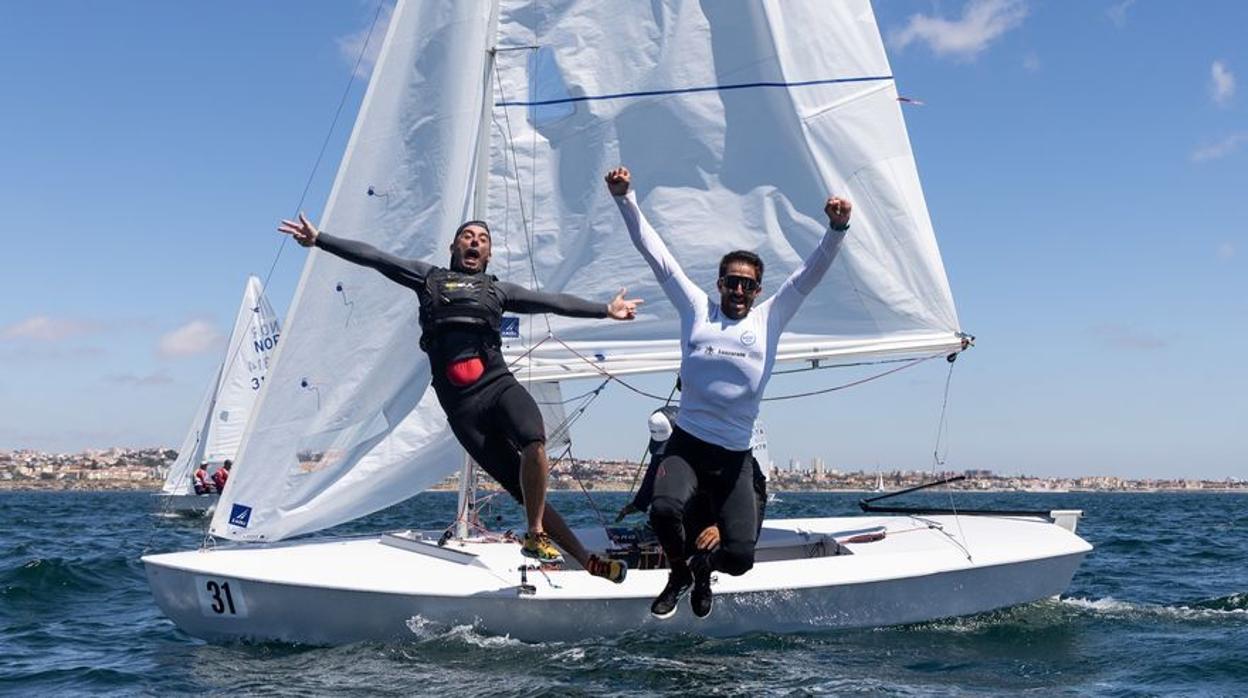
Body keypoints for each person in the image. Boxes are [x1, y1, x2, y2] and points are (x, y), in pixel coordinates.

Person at [278, 213, 640, 583]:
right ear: (454, 247)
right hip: (463, 409)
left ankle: (536, 535)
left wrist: (605, 310)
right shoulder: (428, 278)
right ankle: (583, 557)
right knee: (520, 487)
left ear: (489, 253)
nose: (474, 241)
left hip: (498, 386)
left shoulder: (499, 291)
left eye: (482, 238)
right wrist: (320, 238)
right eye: (466, 236)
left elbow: (552, 302)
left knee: (534, 439)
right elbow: (376, 258)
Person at [605, 166, 851, 618]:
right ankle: (679, 573)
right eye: (730, 281)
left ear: (757, 290)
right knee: (663, 511)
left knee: (739, 559)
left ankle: (702, 570)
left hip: (735, 457)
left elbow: (810, 274)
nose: (737, 289)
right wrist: (625, 198)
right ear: (719, 284)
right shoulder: (697, 309)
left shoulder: (769, 318)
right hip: (688, 445)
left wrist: (836, 229)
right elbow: (655, 254)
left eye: (747, 284)